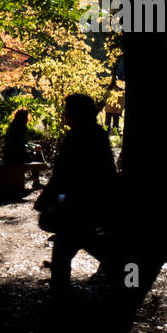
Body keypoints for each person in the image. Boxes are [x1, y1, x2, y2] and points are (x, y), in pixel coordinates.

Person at [34, 94, 118, 293]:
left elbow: (62, 173)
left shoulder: (75, 136)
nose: (64, 115)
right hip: (92, 200)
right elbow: (108, 169)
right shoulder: (98, 133)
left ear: (74, 114)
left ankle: (59, 292)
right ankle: (123, 273)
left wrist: (46, 198)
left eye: (67, 111)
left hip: (75, 202)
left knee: (70, 245)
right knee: (80, 242)